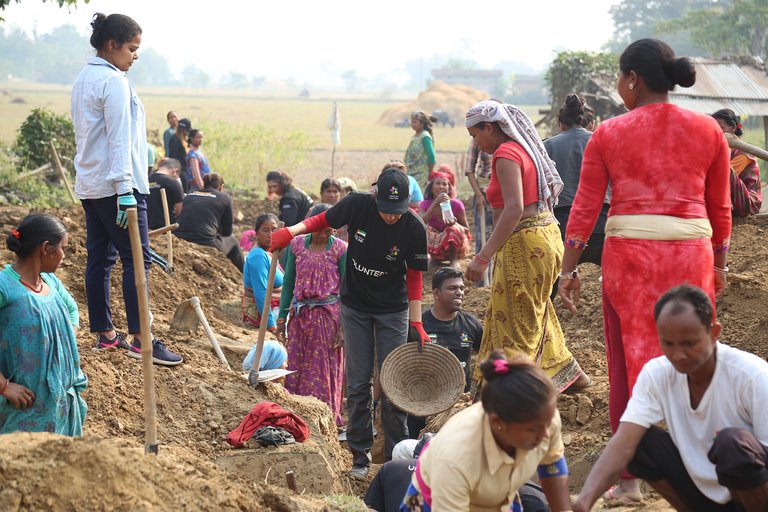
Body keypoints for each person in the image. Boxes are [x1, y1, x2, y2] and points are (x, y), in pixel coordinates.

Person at [559, 38, 731, 503]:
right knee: (694, 357)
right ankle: (705, 468)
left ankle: (631, 480)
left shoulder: (609, 133)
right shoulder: (709, 131)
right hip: (692, 256)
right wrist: (719, 262)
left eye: (619, 78)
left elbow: (585, 209)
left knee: (626, 365)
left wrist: (568, 269)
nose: (618, 87)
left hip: (629, 261)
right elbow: (719, 207)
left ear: (632, 79)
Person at [269, 163, 429, 480]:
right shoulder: (356, 204)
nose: (391, 216)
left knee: (393, 381)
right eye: (386, 209)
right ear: (375, 196)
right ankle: (359, 455)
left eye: (397, 211)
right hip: (355, 306)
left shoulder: (413, 228)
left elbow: (414, 278)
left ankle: (397, 458)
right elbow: (321, 220)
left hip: (393, 310)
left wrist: (417, 322)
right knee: (357, 384)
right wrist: (291, 232)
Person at [572, 285, 768, 512]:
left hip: (755, 495)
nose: (678, 355)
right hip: (705, 494)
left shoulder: (753, 376)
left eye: (689, 343)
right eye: (668, 343)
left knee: (731, 444)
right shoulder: (657, 374)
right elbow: (623, 444)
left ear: (714, 333)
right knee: (638, 442)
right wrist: (583, 502)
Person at [71, 12, 182, 366]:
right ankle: (141, 339)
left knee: (100, 259)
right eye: (132, 48)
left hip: (91, 183)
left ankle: (105, 335)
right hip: (118, 186)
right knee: (138, 259)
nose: (136, 55)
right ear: (112, 45)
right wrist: (125, 191)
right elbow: (119, 141)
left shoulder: (83, 79)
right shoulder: (114, 83)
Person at [463, 100, 590, 395]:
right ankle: (568, 374)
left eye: (476, 135)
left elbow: (513, 209)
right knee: (533, 311)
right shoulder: (519, 150)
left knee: (514, 321)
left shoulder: (505, 154)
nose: (477, 143)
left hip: (526, 244)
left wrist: (482, 257)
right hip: (542, 238)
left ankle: (515, 392)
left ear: (489, 127)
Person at [401, 349, 572, 512]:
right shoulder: (456, 457)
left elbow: (552, 467)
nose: (545, 435)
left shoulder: (542, 418)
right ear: (498, 422)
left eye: (548, 424)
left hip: (495, 494)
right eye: (534, 429)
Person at [0, 214, 88, 436]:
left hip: (60, 401)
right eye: (63, 248)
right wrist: (3, 386)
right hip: (23, 407)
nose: (64, 256)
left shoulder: (49, 281)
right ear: (46, 248)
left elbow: (72, 311)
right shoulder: (5, 286)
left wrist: (62, 342)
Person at [277, 203, 348, 427]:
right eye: (319, 229)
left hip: (328, 317)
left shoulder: (340, 249)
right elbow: (289, 281)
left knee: (322, 368)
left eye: (328, 230)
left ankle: (323, 420)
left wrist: (343, 327)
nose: (323, 234)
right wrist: (282, 317)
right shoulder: (296, 245)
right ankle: (296, 417)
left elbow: (347, 289)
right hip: (300, 316)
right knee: (297, 365)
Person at [543, 94, 607, 301]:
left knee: (547, 295)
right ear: (592, 125)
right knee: (618, 291)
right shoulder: (604, 142)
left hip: (561, 229)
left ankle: (543, 331)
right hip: (603, 226)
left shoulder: (547, 146)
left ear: (561, 125)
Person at [407, 267, 483, 438]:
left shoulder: (471, 324)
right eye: (452, 288)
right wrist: (375, 402)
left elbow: (489, 354)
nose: (460, 292)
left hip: (458, 412)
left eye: (461, 288)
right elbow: (394, 363)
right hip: (420, 412)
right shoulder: (418, 325)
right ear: (436, 293)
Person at [174, 173, 244, 272]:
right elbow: (227, 232)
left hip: (180, 238)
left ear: (204, 184)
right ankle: (245, 277)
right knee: (233, 241)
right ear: (221, 187)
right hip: (205, 242)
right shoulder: (225, 197)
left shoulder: (191, 193)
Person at [711, 108, 762, 217]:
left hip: (748, 202)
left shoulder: (743, 153)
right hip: (734, 198)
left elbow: (721, 176)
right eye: (714, 128)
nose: (716, 132)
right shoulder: (719, 148)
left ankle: (721, 213)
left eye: (721, 128)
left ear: (733, 129)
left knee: (724, 169)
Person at [418, 171, 470, 268]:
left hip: (454, 246)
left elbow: (466, 229)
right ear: (431, 188)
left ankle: (453, 260)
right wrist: (434, 204)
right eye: (437, 183)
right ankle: (435, 258)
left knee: (453, 229)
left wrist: (455, 224)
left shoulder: (456, 205)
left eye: (444, 184)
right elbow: (420, 223)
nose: (441, 187)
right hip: (433, 245)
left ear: (449, 189)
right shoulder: (424, 205)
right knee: (422, 229)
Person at [242, 213, 283, 331]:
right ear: (257, 233)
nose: (270, 235)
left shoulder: (269, 252)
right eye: (265, 230)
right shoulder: (258, 255)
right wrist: (271, 327)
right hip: (268, 311)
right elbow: (261, 293)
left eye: (274, 230)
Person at [465, 139, 494, 282]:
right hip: (484, 195)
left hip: (505, 195)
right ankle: (483, 284)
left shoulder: (508, 134)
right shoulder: (478, 138)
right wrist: (478, 194)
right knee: (483, 239)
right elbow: (469, 169)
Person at [147, 158, 184, 230]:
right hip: (166, 229)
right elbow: (181, 211)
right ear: (175, 171)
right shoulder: (173, 183)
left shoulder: (146, 180)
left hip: (146, 229)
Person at [404, 111, 437, 187]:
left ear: (422, 123)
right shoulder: (415, 136)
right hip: (411, 171)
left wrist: (430, 173)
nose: (412, 124)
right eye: (412, 122)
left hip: (421, 173)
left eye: (415, 122)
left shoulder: (425, 137)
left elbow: (432, 156)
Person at [320, 178, 348, 242]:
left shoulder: (346, 212)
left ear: (340, 194)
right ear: (321, 194)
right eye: (328, 191)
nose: (332, 195)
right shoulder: (315, 211)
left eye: (335, 192)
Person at [168, 118, 192, 192]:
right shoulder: (175, 139)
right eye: (186, 131)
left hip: (186, 170)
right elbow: (173, 158)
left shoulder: (186, 140)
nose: (187, 133)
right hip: (180, 171)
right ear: (182, 129)